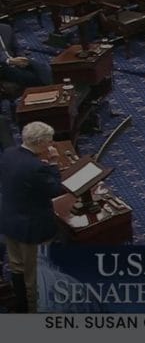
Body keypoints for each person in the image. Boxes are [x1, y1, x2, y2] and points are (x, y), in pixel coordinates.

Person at [0, 121, 61, 313]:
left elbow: (20, 179)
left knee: (17, 267)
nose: (51, 144)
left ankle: (20, 306)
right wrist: (53, 164)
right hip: (32, 230)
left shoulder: (9, 153)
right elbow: (54, 190)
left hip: (10, 222)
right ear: (41, 143)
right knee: (34, 278)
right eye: (49, 141)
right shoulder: (35, 167)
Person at [0, 24, 50, 90]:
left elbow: (17, 48)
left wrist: (21, 57)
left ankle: (52, 87)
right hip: (2, 65)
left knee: (41, 68)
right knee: (28, 77)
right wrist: (9, 61)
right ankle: (43, 89)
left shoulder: (6, 28)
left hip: (15, 60)